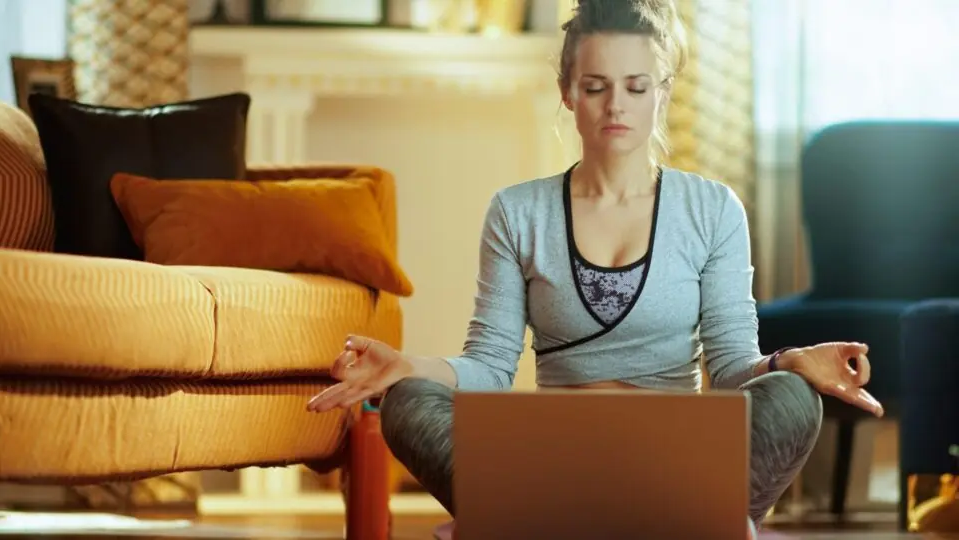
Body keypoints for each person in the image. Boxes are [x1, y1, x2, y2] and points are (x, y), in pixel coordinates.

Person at [307, 0, 885, 534]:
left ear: (662, 92)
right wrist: (405, 365)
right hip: (554, 456)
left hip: (676, 460)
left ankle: (560, 519)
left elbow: (733, 368)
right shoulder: (517, 211)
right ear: (567, 92)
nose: (615, 106)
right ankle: (661, 522)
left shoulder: (713, 210)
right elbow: (489, 366)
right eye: (595, 87)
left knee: (793, 397)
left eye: (636, 86)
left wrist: (789, 362)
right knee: (408, 400)